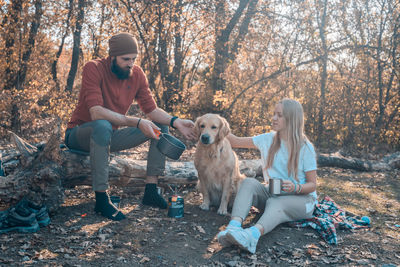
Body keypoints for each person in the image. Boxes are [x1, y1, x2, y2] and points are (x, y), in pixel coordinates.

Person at [64, 32, 195, 221]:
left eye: (134, 59)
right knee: (102, 125)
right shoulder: (94, 68)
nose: (130, 63)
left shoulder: (137, 74)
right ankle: (101, 199)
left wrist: (176, 122)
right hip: (79, 135)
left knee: (159, 125)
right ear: (112, 56)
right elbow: (96, 112)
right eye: (126, 59)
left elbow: (152, 110)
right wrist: (137, 122)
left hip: (109, 136)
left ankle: (150, 190)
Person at [217, 98, 317, 253]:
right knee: (248, 183)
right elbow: (235, 141)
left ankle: (251, 236)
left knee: (276, 204)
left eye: (280, 115)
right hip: (274, 194)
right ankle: (234, 228)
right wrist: (216, 123)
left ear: (291, 119)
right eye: (274, 114)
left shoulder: (306, 148)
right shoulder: (268, 139)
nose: (274, 118)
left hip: (302, 201)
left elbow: (312, 185)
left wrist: (296, 187)